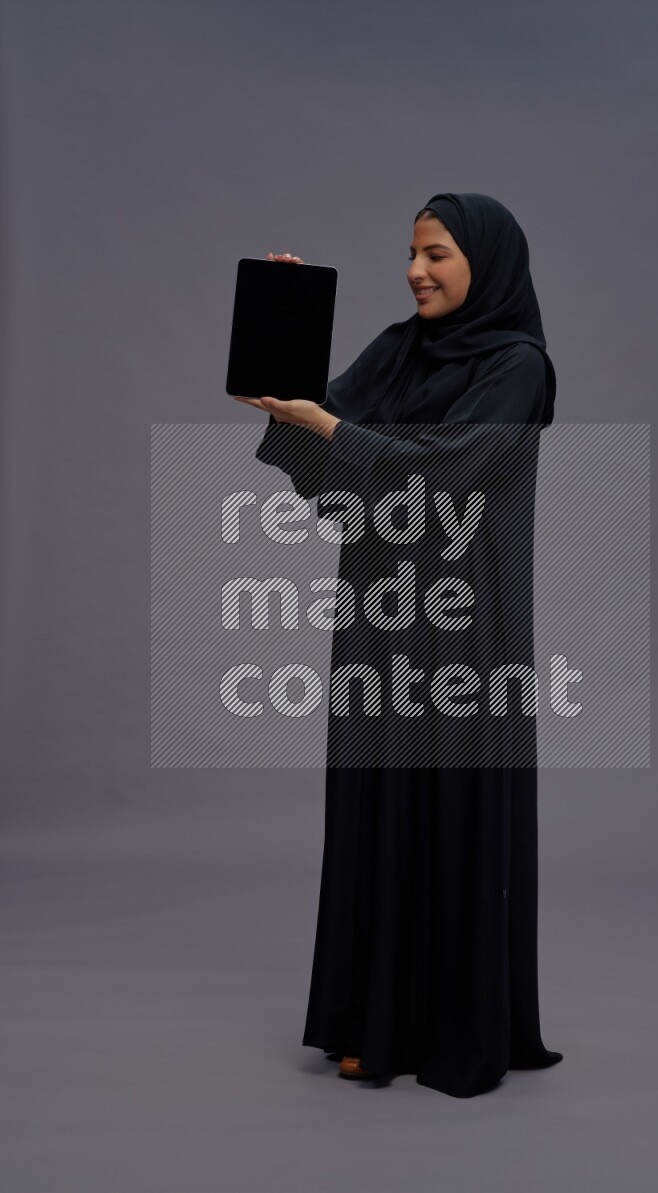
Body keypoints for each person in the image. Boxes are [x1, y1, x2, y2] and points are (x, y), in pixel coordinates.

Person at [233, 192, 563, 1097]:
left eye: (439, 253)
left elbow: (447, 475)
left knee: (449, 809)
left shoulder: (517, 367)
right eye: (412, 253)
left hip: (465, 631)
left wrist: (331, 430)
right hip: (379, 615)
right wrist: (281, 347)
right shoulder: (397, 349)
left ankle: (448, 1028)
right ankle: (367, 1022)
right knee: (377, 805)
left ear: (484, 263)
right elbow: (316, 455)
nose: (417, 270)